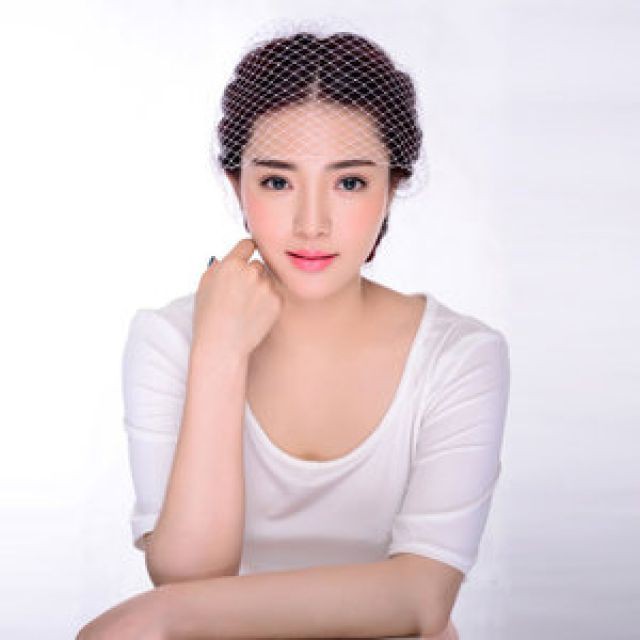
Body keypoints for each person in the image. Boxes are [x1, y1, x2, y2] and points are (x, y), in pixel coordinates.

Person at [78, 28, 510, 640]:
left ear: (392, 187)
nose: (312, 224)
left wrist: (159, 615)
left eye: (349, 182)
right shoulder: (169, 340)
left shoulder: (459, 356)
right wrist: (219, 354)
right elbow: (188, 576)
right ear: (238, 186)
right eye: (278, 182)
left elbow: (421, 599)